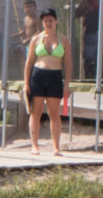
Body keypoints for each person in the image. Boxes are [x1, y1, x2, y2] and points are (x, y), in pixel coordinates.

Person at [26, 8, 70, 156]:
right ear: (42, 22)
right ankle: (34, 145)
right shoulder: (36, 39)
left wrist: (67, 84)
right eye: (45, 20)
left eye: (51, 20)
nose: (48, 23)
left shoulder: (63, 40)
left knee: (54, 113)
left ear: (56, 21)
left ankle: (56, 147)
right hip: (38, 75)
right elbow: (29, 62)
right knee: (35, 112)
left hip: (55, 76)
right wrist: (26, 83)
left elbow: (68, 63)